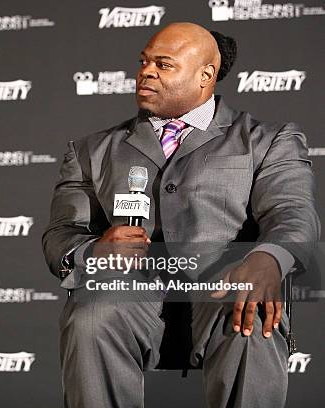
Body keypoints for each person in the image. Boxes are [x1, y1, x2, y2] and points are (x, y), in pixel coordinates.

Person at [42, 22, 319, 408]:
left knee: (250, 311)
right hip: (128, 293)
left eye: (163, 64)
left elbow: (292, 213)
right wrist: (93, 252)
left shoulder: (267, 140)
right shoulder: (91, 150)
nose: (145, 71)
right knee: (91, 318)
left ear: (205, 75)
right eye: (143, 61)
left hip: (221, 284)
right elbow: (62, 233)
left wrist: (269, 259)